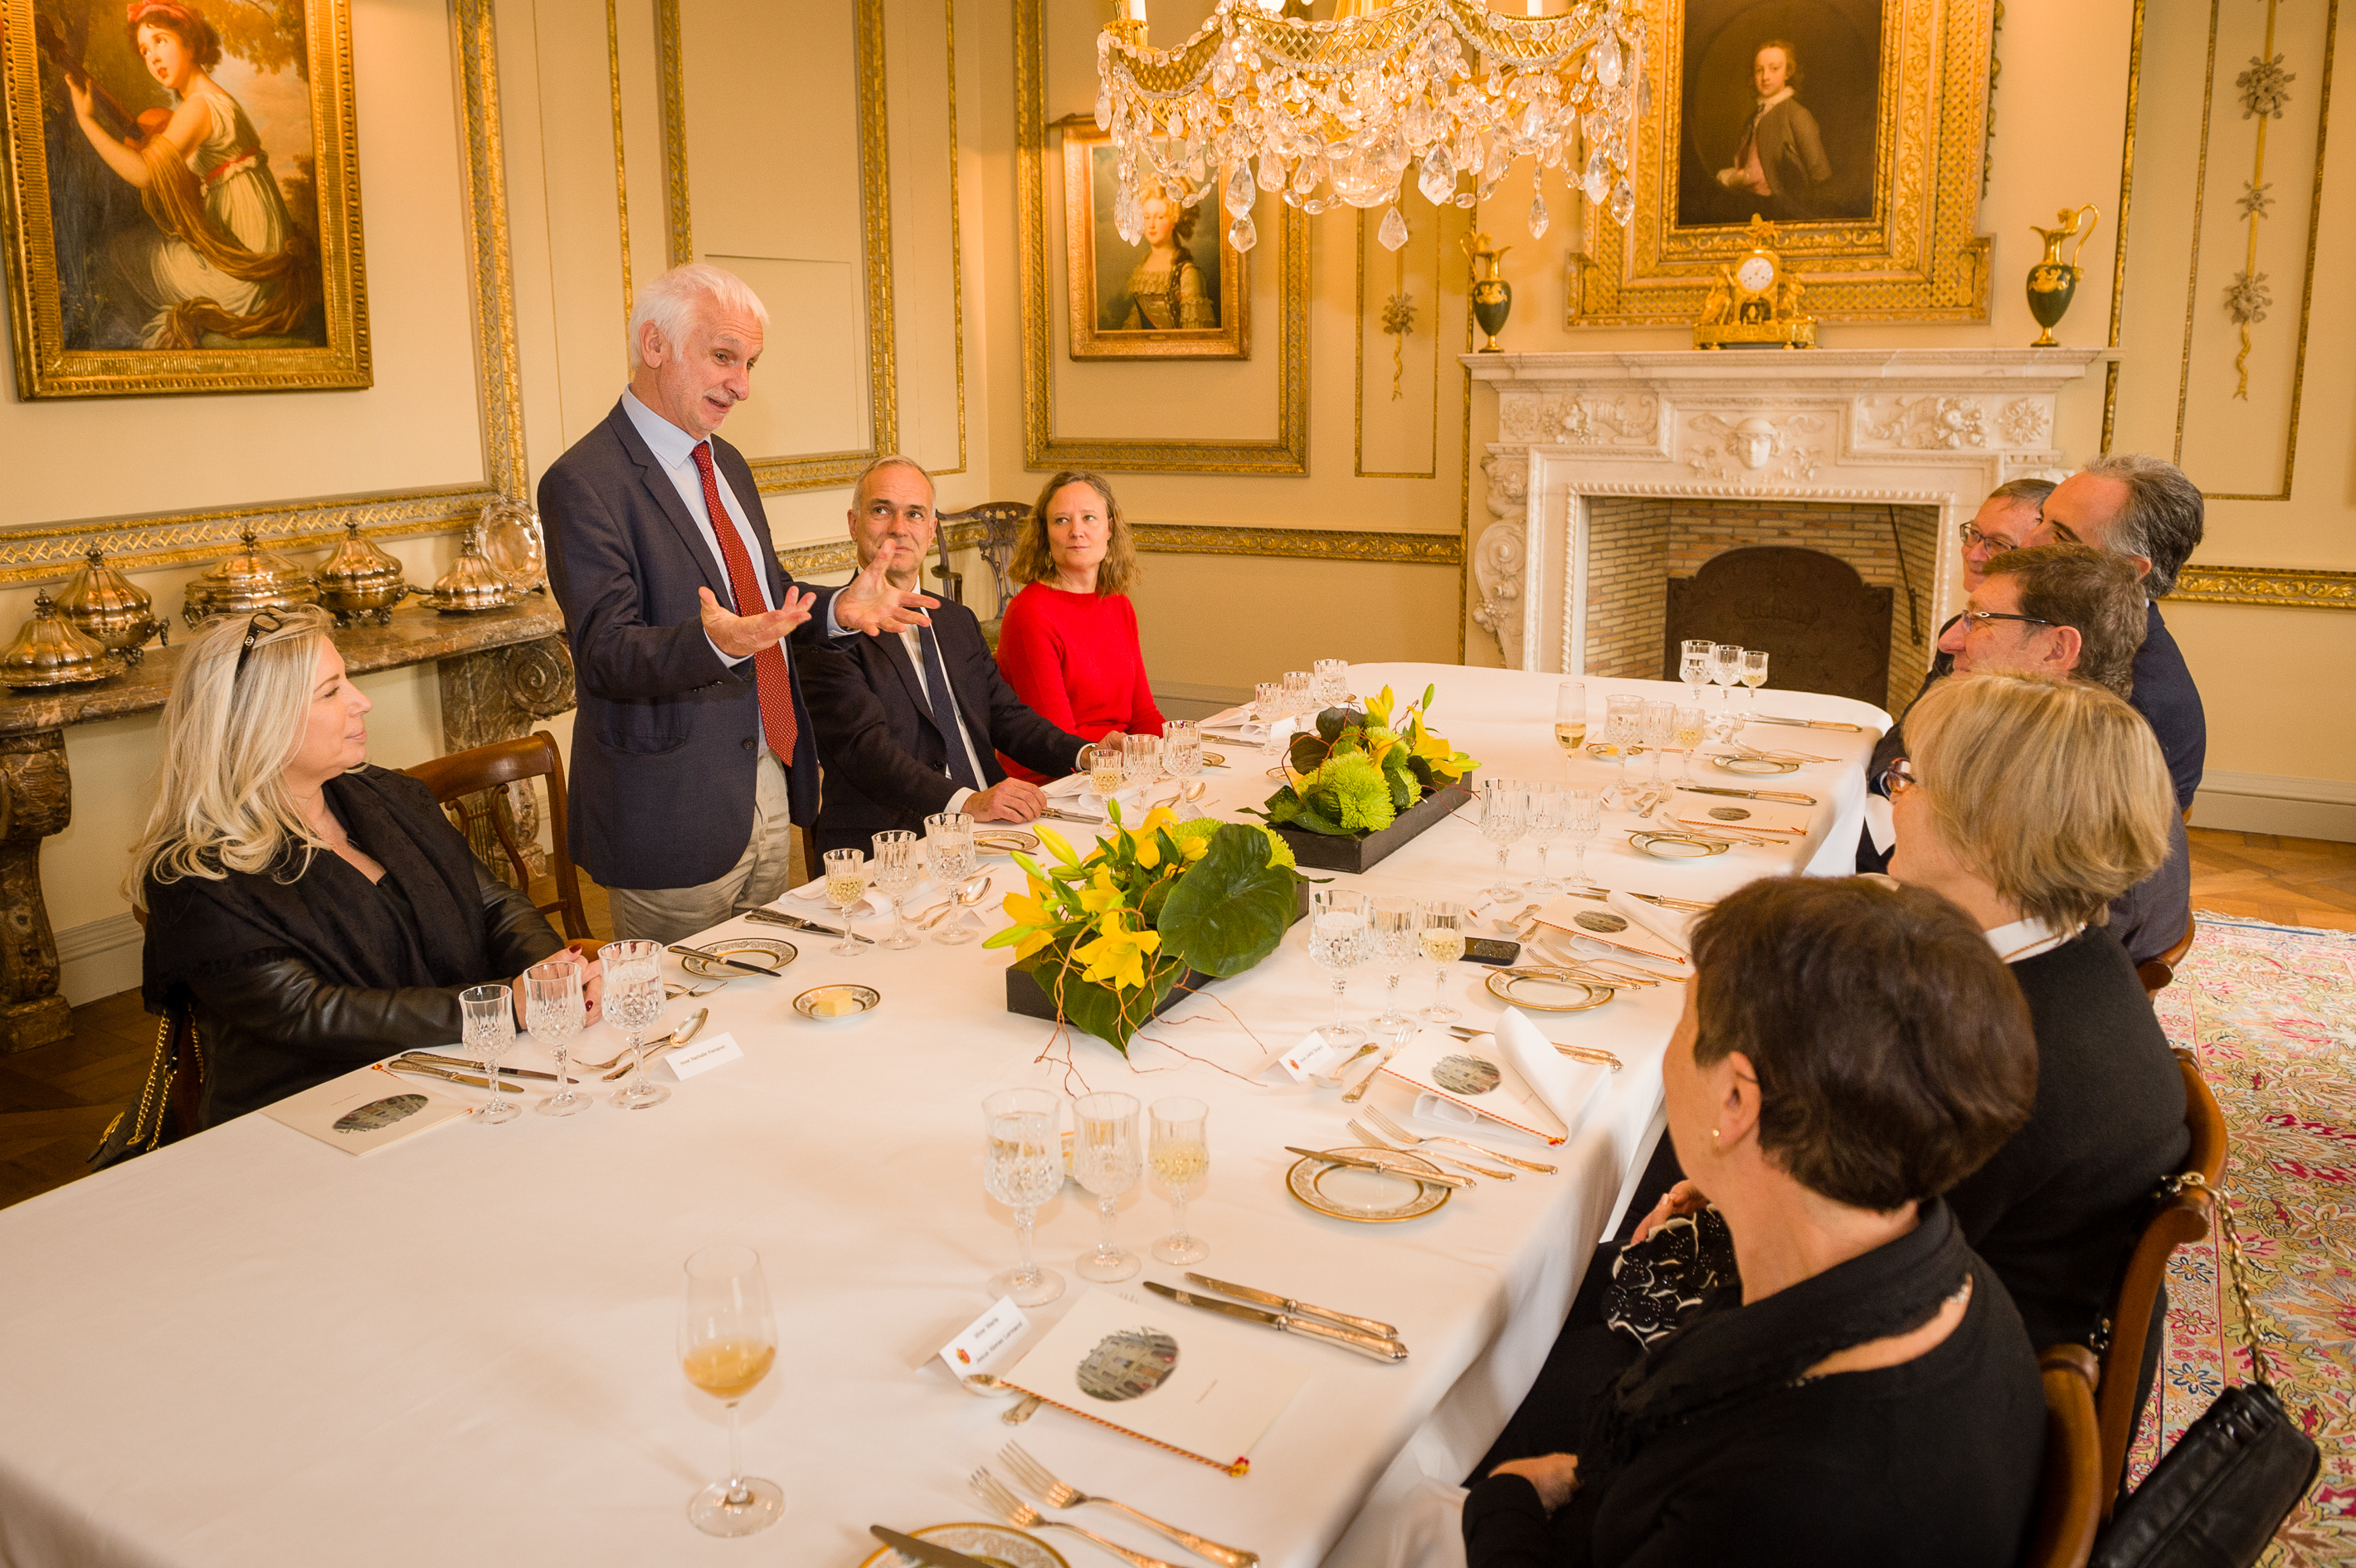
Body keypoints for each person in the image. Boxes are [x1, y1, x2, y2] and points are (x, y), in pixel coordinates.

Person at [1462, 877, 2043, 1567]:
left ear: (1737, 1099)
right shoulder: (1951, 1277)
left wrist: (1504, 1500)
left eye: (1683, 1020)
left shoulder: (1783, 1492)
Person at [539, 263, 935, 946]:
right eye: (724, 357)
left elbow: (766, 598)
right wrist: (719, 642)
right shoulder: (583, 482)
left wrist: (838, 610)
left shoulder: (727, 464)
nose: (742, 386)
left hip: (768, 780)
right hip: (672, 807)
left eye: (750, 363)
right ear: (655, 345)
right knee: (677, 1017)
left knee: (763, 988)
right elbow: (606, 652)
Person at [132, 609, 597, 1127]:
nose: (362, 702)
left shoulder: (385, 795)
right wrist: (502, 1008)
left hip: (459, 1070)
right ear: (259, 721)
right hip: (318, 1117)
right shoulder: (196, 873)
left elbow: (494, 903)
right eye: (331, 692)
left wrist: (546, 972)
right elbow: (310, 1013)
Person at [1881, 673, 2190, 1355]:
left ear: (1987, 833)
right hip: (1983, 1318)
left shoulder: (1998, 1066)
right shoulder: (2082, 954)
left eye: (1909, 779)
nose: (1893, 796)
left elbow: (1855, 1285)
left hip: (1959, 1385)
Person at [794, 456, 1090, 856]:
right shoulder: (832, 630)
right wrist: (968, 803)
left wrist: (1085, 753)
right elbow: (867, 753)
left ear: (931, 530)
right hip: (895, 843)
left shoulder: (955, 620)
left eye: (914, 514)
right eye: (882, 510)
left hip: (993, 828)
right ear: (853, 523)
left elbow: (1007, 717)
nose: (898, 528)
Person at [65, 1, 315, 348]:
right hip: (254, 244)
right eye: (144, 49)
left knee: (122, 251)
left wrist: (87, 121)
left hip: (246, 270)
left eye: (161, 41)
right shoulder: (211, 100)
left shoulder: (199, 107)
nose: (152, 57)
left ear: (191, 43)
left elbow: (145, 175)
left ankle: (150, 343)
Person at [2027, 453, 2207, 812]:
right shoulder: (2037, 620)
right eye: (2040, 519)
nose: (2029, 542)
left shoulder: (2136, 702)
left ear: (2128, 570)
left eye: (2060, 535)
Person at [992, 470, 1166, 783]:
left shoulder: (1119, 604)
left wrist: (1172, 755)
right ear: (1045, 534)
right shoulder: (1030, 613)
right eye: (1061, 520)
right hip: (1058, 782)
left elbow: (1143, 715)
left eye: (1089, 518)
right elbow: (1057, 743)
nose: (1077, 532)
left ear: (1110, 528)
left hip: (1119, 767)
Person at [1712, 41, 1831, 218]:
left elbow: (1820, 173)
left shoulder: (1797, 115)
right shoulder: (1754, 118)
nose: (1765, 77)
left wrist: (1727, 178)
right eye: (1759, 70)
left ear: (1788, 72)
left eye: (1774, 69)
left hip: (1783, 208)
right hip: (1751, 204)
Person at [1115, 191, 1214, 331]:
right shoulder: (1143, 268)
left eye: (1160, 217)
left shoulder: (1187, 272)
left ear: (1174, 220)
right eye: (1146, 217)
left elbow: (1194, 335)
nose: (1151, 225)